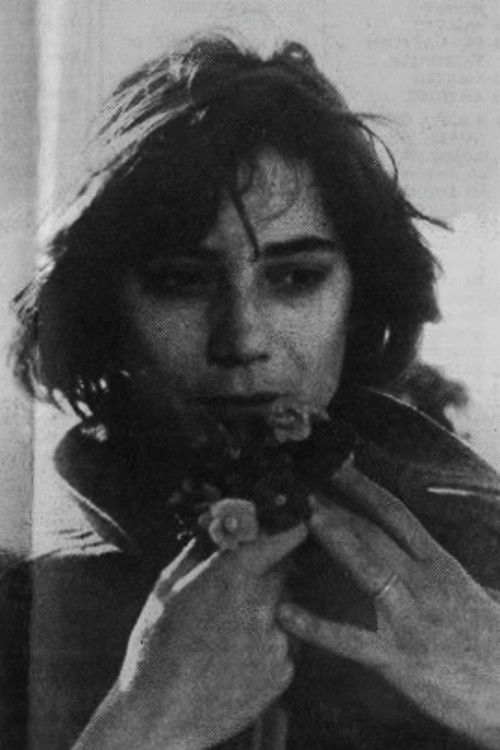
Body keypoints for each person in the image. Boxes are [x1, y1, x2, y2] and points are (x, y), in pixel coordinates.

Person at [3, 33, 500, 750]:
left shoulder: (482, 554)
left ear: (359, 298)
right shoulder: (25, 600)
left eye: (296, 278)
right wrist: (143, 725)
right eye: (182, 281)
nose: (241, 339)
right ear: (101, 305)